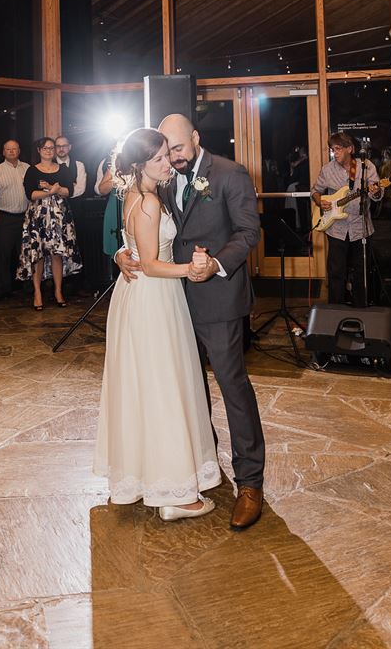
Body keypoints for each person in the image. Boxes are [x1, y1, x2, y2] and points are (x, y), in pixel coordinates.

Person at [115, 114, 265, 531]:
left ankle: (250, 483)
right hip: (169, 305)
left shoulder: (230, 174)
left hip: (218, 300)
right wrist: (122, 253)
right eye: (166, 151)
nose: (173, 158)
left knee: (233, 388)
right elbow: (144, 229)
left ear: (196, 138)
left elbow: (248, 232)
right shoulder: (160, 176)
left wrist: (216, 264)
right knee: (184, 391)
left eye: (178, 148)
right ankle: (200, 468)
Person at [94, 127, 221, 519]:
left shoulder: (135, 194)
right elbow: (149, 264)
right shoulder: (149, 201)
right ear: (139, 164)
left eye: (168, 154)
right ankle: (176, 495)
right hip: (154, 297)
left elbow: (134, 245)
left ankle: (138, 481)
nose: (169, 163)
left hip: (138, 297)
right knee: (163, 387)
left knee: (142, 386)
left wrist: (122, 251)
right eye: (159, 159)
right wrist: (193, 268)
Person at [311, 132, 383, 308]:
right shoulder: (327, 170)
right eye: (332, 149)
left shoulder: (366, 166)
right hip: (336, 228)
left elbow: (378, 195)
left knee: (361, 272)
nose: (335, 153)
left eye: (338, 149)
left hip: (361, 227)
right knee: (336, 272)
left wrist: (376, 192)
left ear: (350, 149)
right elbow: (315, 191)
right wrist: (320, 201)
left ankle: (361, 308)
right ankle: (336, 309)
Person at [17, 137, 81, 310]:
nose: (48, 151)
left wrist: (55, 189)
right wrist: (50, 191)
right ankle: (37, 293)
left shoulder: (63, 169)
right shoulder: (32, 170)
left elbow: (69, 191)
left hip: (59, 216)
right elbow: (30, 194)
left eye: (51, 148)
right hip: (38, 216)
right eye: (45, 148)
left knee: (56, 254)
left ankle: (58, 291)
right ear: (39, 150)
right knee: (38, 254)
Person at [0, 140, 29, 299]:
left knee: (26, 254)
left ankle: (28, 288)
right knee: (4, 255)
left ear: (19, 151)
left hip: (25, 217)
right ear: (3, 152)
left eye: (14, 149)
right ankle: (4, 290)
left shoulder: (28, 168)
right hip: (5, 218)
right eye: (8, 149)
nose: (12, 151)